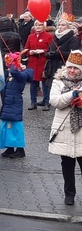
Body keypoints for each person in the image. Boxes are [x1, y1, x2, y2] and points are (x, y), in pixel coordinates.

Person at [48, 50, 82, 205]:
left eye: (76, 68)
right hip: (64, 129)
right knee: (67, 165)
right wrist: (71, 95)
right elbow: (55, 101)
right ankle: (69, 194)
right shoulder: (58, 81)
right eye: (70, 68)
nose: (72, 71)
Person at [0, 53, 33, 159]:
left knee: (16, 126)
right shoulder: (10, 73)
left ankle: (20, 149)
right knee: (6, 126)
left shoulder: (24, 73)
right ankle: (10, 147)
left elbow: (14, 71)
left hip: (14, 102)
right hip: (7, 102)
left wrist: (14, 63)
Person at [42, 18, 80, 112]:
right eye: (59, 25)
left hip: (64, 67)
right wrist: (49, 54)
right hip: (52, 66)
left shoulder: (73, 39)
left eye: (63, 25)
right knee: (52, 87)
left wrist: (58, 53)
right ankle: (49, 102)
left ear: (68, 27)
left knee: (63, 88)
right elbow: (48, 51)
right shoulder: (54, 38)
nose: (60, 27)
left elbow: (73, 54)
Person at [22, 20, 53, 110]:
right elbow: (26, 48)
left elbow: (51, 49)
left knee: (45, 84)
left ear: (44, 26)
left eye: (40, 25)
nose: (38, 27)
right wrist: (29, 52)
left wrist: (42, 51)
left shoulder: (49, 36)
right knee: (33, 83)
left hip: (43, 62)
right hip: (32, 62)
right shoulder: (30, 36)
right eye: (36, 25)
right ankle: (33, 103)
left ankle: (47, 102)